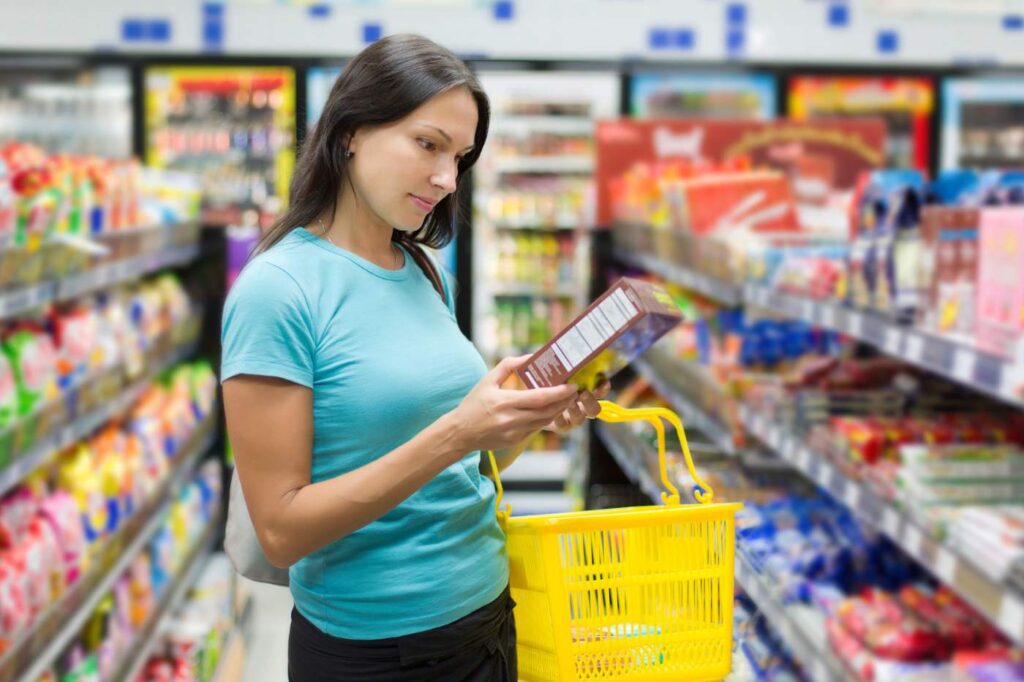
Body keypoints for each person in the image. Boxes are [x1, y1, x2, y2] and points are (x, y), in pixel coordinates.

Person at [221, 34, 607, 681]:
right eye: (427, 144)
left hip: (488, 619)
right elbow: (281, 529)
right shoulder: (278, 290)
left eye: (460, 156)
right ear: (351, 132)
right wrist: (460, 430)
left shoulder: (424, 271)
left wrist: (522, 418)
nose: (446, 178)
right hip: (376, 652)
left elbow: (462, 465)